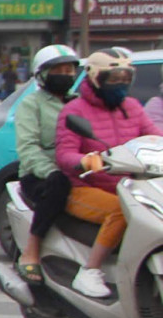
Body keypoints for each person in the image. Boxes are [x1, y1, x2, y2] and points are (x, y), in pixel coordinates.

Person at [57, 49, 150, 298]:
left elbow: (153, 138)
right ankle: (89, 271)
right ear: (96, 77)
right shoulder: (74, 110)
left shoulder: (132, 107)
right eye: (113, 78)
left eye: (125, 78)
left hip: (128, 186)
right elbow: (65, 154)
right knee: (124, 210)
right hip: (84, 188)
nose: (120, 84)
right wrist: (87, 161)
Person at [14, 44, 80, 283]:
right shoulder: (31, 104)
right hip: (41, 175)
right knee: (59, 185)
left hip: (79, 169)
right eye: (59, 70)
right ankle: (32, 249)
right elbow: (28, 147)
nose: (66, 74)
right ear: (42, 74)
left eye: (70, 70)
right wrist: (50, 170)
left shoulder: (80, 103)